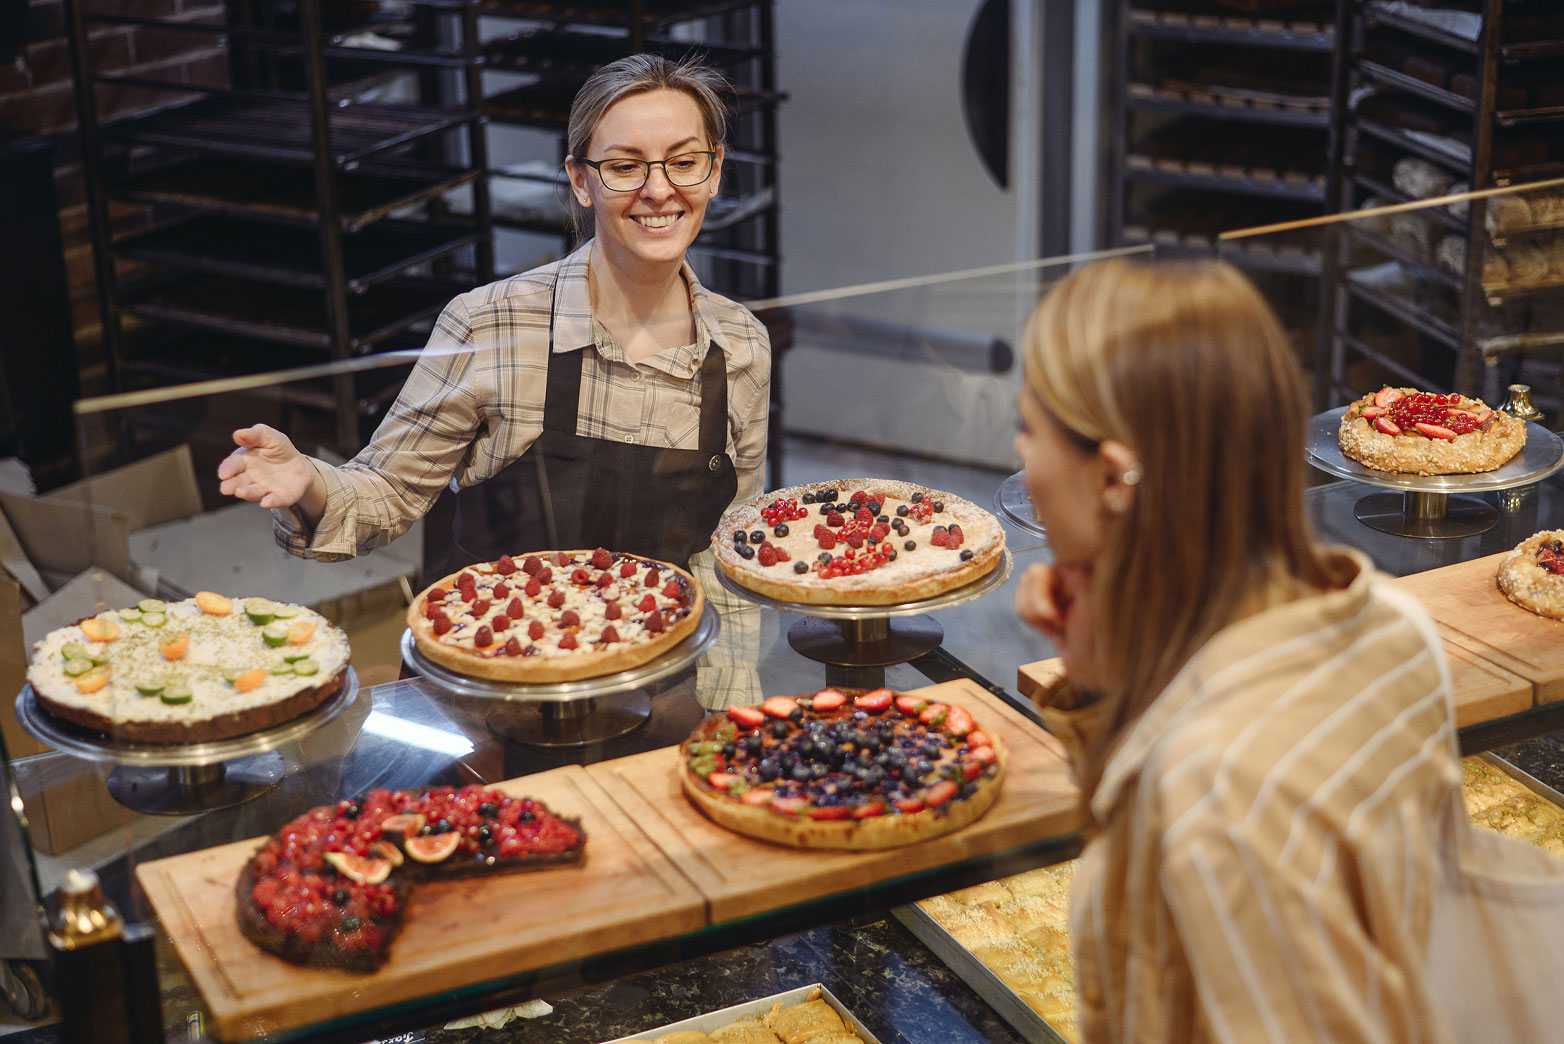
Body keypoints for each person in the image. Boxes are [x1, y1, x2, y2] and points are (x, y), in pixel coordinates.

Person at [1012, 257, 1479, 1043]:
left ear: (1115, 477)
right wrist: (1103, 678)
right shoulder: (1393, 628)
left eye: (1030, 429)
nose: (1022, 461)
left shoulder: (1215, 799)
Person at [216, 54, 770, 574]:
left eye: (684, 162)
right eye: (624, 166)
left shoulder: (742, 345)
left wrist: (737, 675)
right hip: (503, 661)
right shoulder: (489, 324)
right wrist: (308, 480)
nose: (658, 189)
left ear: (715, 170)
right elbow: (386, 495)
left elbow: (733, 555)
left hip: (666, 666)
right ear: (581, 180)